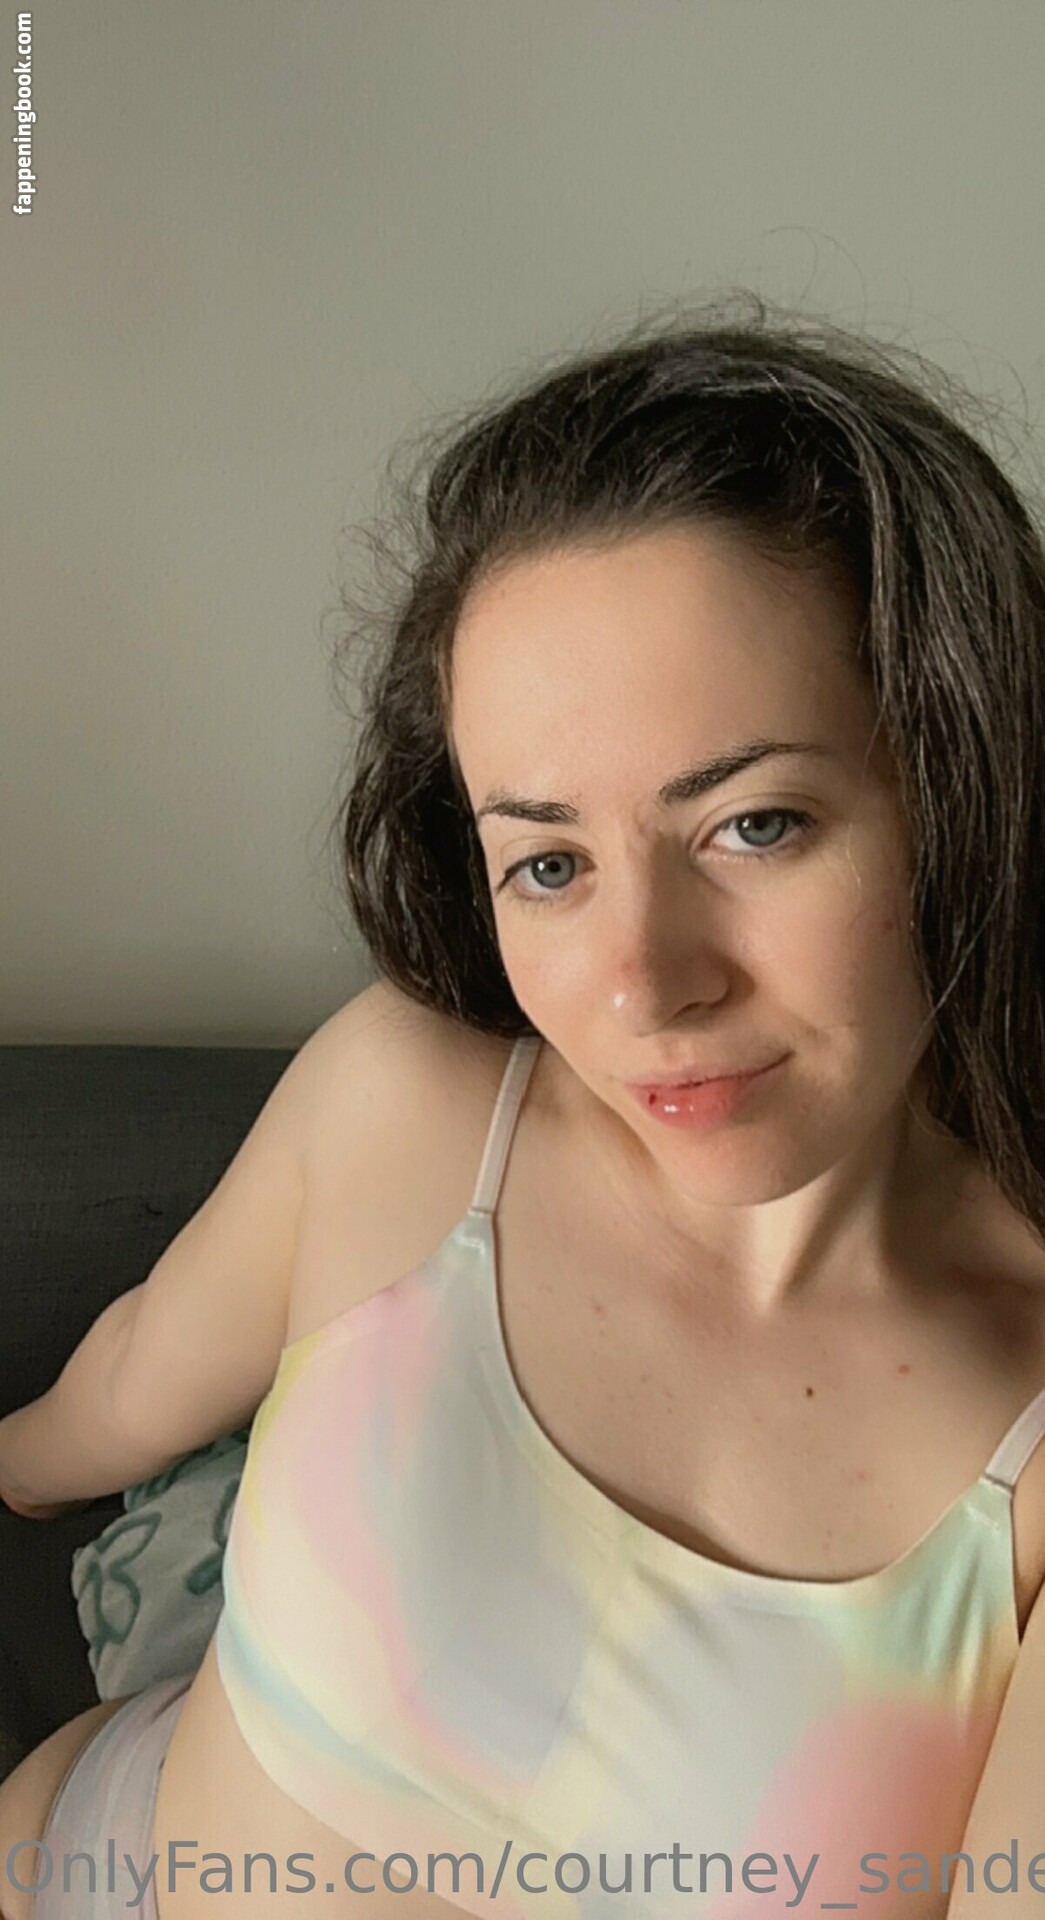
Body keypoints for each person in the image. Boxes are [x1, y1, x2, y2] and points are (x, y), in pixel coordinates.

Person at [1, 295, 1045, 1920]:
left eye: (755, 825)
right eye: (548, 863)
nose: (642, 984)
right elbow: (131, 1380)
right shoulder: (405, 1104)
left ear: (963, 788)